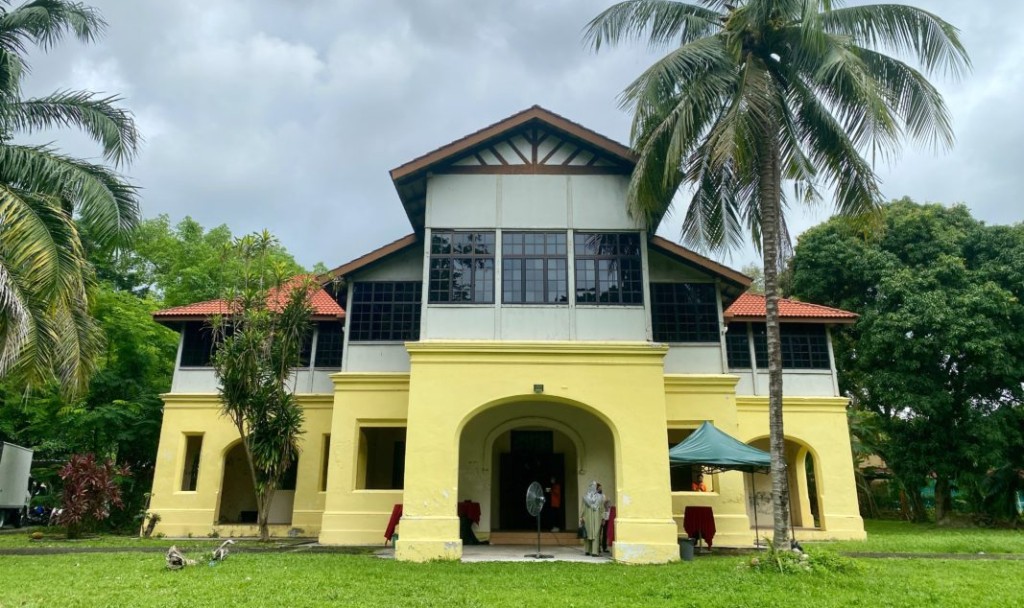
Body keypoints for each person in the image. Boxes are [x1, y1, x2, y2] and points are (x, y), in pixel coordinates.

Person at [580, 481, 605, 556]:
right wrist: (603, 518)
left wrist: (581, 516)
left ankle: (590, 551)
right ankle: (592, 551)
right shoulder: (600, 497)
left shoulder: (585, 497)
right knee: (592, 534)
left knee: (591, 533)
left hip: (590, 518)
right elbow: (602, 509)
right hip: (594, 517)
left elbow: (583, 508)